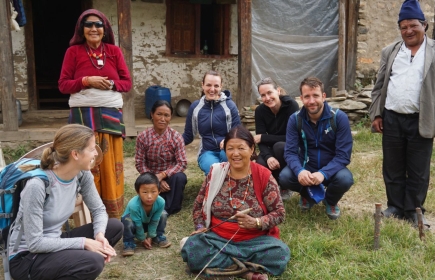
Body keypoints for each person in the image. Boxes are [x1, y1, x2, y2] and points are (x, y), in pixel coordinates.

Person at [8, 124, 123, 280]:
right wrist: (84, 243)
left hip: (55, 241)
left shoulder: (82, 175)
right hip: (27, 257)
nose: (96, 153)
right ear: (75, 154)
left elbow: (99, 210)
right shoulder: (38, 185)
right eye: (91, 149)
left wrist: (99, 235)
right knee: (93, 262)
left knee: (114, 227)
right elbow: (35, 243)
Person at [181, 125, 290, 280]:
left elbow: (279, 213)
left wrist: (257, 222)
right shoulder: (216, 172)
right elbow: (199, 204)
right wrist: (199, 227)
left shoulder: (264, 175)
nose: (235, 153)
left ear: (252, 149)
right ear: (225, 150)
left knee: (280, 254)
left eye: (241, 148)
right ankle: (247, 273)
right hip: (217, 238)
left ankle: (220, 267)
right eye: (230, 148)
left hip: (254, 241)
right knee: (191, 246)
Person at [59, 9, 132, 218]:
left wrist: (109, 84)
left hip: (109, 117)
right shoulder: (72, 53)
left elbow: (126, 84)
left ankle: (112, 215)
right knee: (85, 165)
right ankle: (87, 215)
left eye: (98, 25)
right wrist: (86, 81)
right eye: (88, 25)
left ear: (104, 29)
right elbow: (63, 85)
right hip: (82, 117)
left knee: (109, 166)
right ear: (81, 30)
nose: (94, 29)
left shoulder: (114, 52)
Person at [369, 0, 434, 228]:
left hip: (421, 119)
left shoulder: (433, 51)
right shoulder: (391, 51)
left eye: (413, 25)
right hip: (392, 118)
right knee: (393, 165)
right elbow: (378, 87)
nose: (408, 31)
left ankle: (414, 210)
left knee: (418, 169)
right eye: (403, 27)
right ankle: (395, 206)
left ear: (424, 25)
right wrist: (377, 115)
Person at [279, 77, 354, 220]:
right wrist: (300, 171)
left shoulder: (339, 118)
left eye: (315, 96)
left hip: (331, 168)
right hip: (306, 166)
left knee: (345, 179)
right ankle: (307, 194)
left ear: (324, 96)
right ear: (301, 98)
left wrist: (324, 173)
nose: (311, 101)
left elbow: (343, 155)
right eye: (307, 96)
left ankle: (330, 201)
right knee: (285, 177)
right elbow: (290, 152)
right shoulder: (295, 119)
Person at [182, 70, 241, 176]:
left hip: (228, 149)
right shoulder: (195, 107)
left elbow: (238, 132)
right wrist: (171, 142)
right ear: (202, 85)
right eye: (208, 85)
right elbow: (188, 135)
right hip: (207, 151)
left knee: (230, 171)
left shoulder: (230, 106)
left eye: (216, 86)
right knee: (215, 171)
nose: (212, 89)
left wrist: (228, 140)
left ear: (221, 86)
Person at [135, 100, 187, 215]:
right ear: (152, 114)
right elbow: (140, 163)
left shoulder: (176, 137)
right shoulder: (142, 137)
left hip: (170, 177)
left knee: (180, 177)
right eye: (159, 114)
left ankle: (167, 209)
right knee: (143, 182)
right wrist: (155, 179)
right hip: (150, 175)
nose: (162, 119)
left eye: (166, 115)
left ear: (170, 117)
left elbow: (182, 163)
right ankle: (156, 202)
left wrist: (163, 175)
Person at [254, 77, 300, 200]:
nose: (267, 98)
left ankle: (285, 185)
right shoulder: (260, 111)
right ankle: (271, 187)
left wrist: (264, 137)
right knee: (260, 164)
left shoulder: (291, 106)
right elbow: (259, 141)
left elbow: (291, 138)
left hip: (290, 147)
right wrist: (268, 157)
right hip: (271, 147)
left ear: (278, 91)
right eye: (263, 95)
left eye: (270, 93)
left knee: (280, 146)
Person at [121, 172, 171, 257]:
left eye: (153, 192)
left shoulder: (161, 202)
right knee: (127, 221)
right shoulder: (134, 204)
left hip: (148, 222)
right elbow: (138, 224)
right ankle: (129, 243)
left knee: (163, 214)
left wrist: (150, 236)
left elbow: (155, 220)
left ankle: (157, 236)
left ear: (159, 191)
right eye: (144, 192)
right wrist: (143, 239)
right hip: (134, 223)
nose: (149, 196)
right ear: (138, 192)